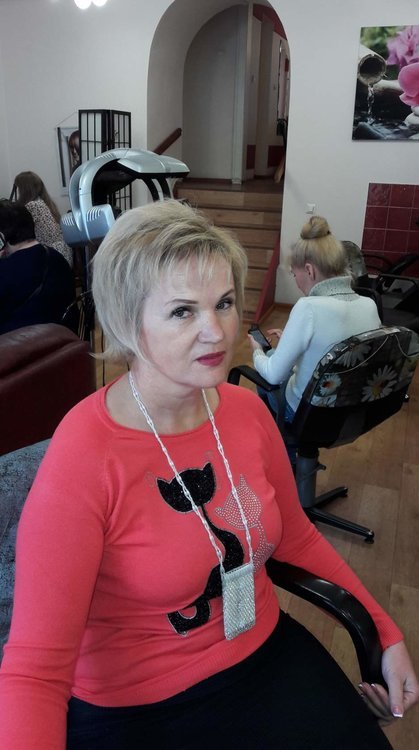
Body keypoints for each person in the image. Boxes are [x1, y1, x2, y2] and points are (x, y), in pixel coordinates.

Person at [0, 200, 417, 750]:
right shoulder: (84, 456)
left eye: (223, 303)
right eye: (182, 311)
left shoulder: (245, 412)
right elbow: (35, 669)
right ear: (127, 322)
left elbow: (296, 536)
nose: (216, 331)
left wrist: (385, 630)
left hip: (262, 653)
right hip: (138, 706)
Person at [248, 216, 382, 463]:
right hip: (354, 412)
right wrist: (293, 342)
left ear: (309, 270)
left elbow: (274, 375)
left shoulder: (308, 307)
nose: (296, 281)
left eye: (294, 274)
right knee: (282, 359)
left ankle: (286, 461)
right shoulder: (369, 305)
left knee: (267, 366)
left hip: (309, 416)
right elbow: (340, 354)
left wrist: (257, 350)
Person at [0, 201, 75, 335]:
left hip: (19, 346)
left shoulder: (5, 270)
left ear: (2, 237)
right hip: (64, 341)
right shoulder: (58, 258)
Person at [12, 170, 73, 266]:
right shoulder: (46, 203)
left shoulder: (32, 206)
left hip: (51, 257)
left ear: (24, 190)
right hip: (63, 254)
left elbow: (18, 231)